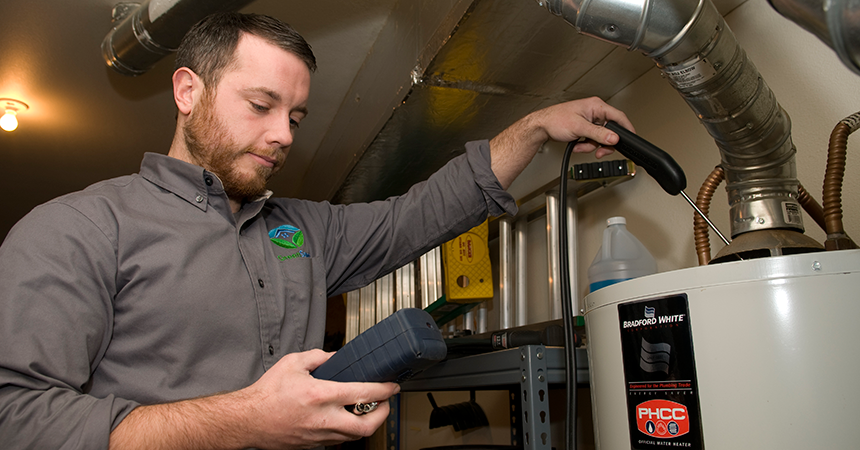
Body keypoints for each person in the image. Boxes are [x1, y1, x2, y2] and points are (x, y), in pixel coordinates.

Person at [0, 12, 633, 450]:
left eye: (296, 116)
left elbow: (419, 214)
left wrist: (532, 129)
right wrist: (247, 419)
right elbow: (16, 420)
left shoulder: (303, 231)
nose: (283, 135)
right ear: (188, 91)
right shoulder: (77, 228)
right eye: (260, 105)